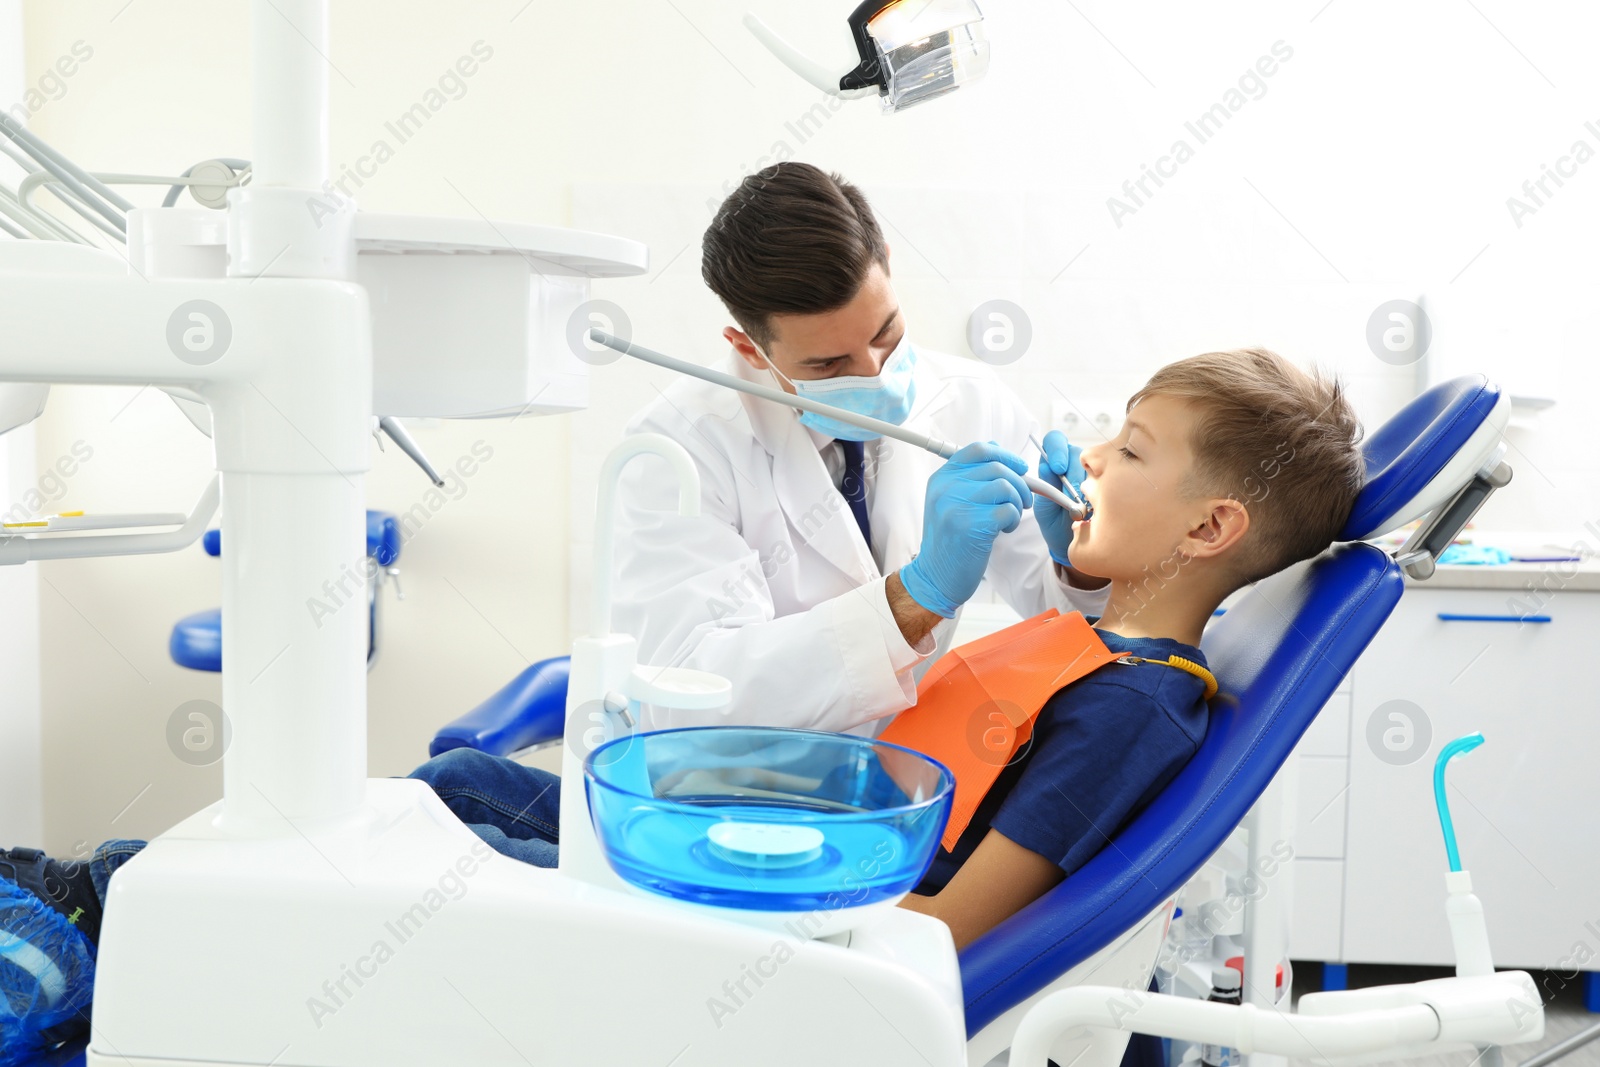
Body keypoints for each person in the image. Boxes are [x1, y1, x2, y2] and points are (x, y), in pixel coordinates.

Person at [1, 346, 1362, 1062]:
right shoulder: (1095, 646)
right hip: (793, 857)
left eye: (1125, 452)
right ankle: (102, 894)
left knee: (434, 844)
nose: (1092, 463)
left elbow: (949, 926)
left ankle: (81, 928)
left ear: (1212, 527)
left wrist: (733, 875)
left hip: (813, 934)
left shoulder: (1134, 706)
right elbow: (984, 706)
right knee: (463, 788)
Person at [609, 161, 1112, 735]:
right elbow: (692, 693)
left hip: (903, 774)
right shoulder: (680, 446)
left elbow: (1076, 627)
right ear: (749, 349)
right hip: (733, 790)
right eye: (828, 363)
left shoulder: (971, 400)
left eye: (885, 333)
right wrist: (919, 594)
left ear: (890, 267)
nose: (876, 374)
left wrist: (1081, 565)